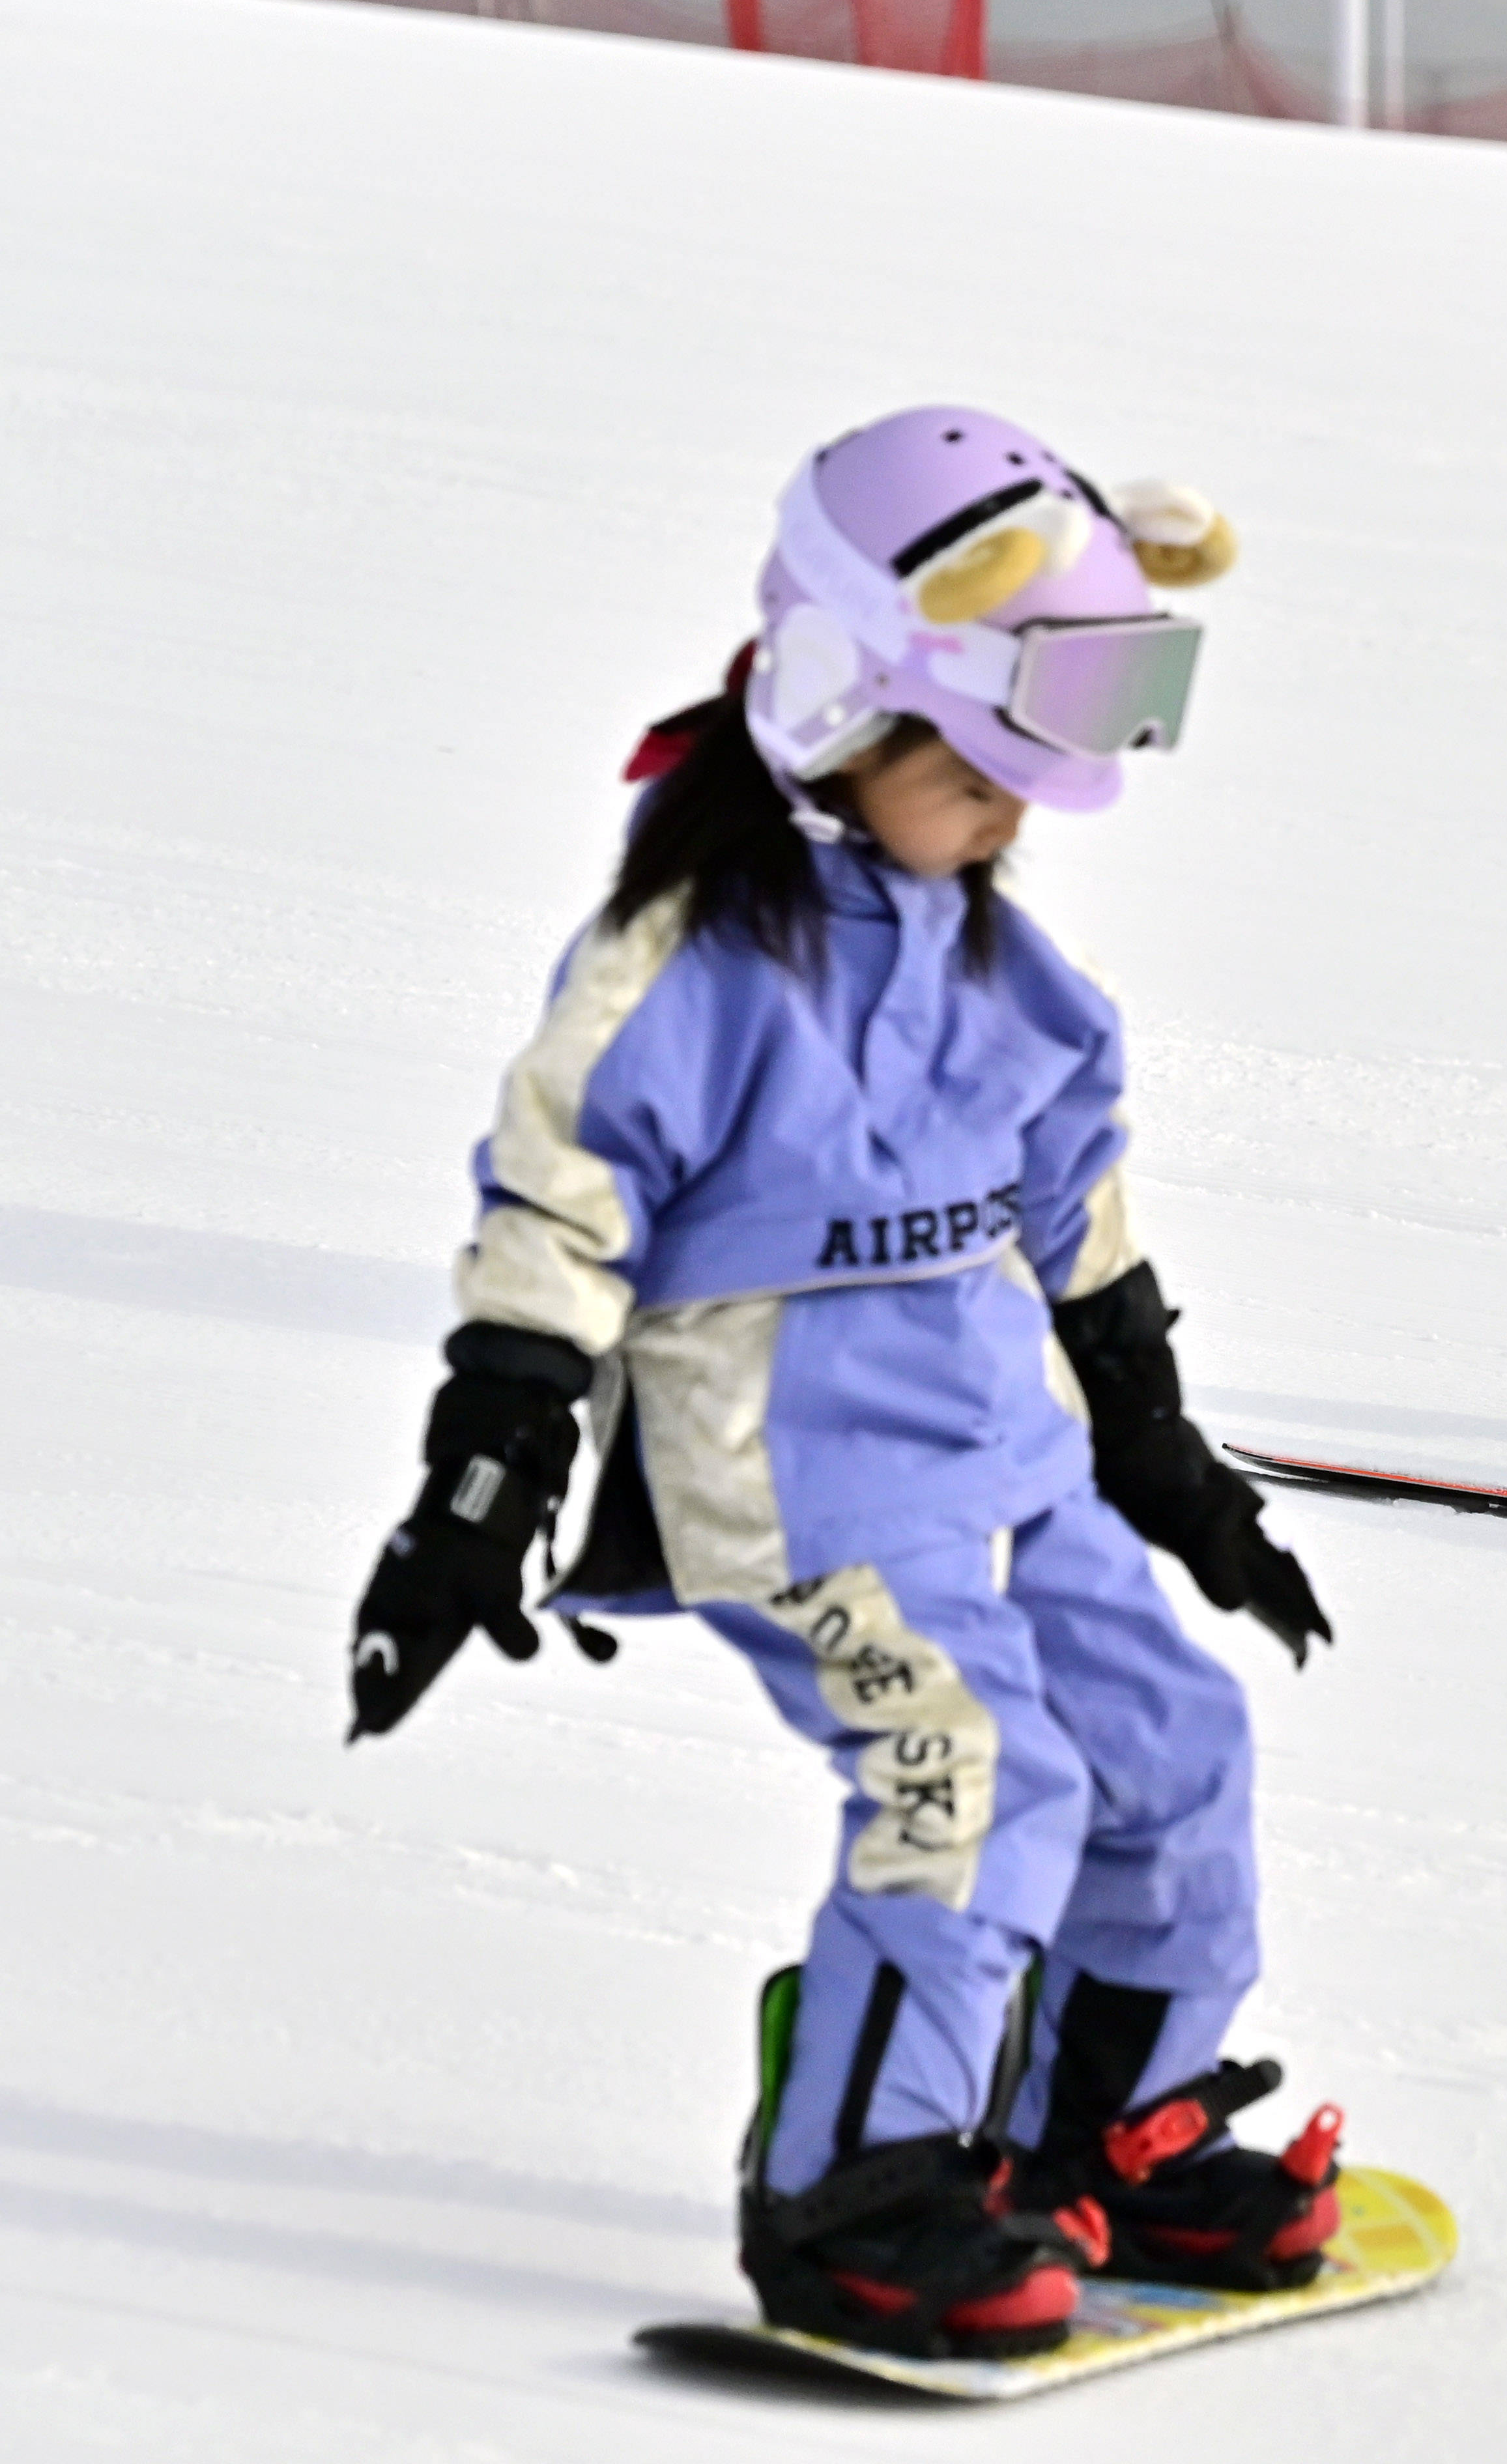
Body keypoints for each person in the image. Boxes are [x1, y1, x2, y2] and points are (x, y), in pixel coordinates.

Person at [344, 407, 1344, 2358]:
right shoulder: (691, 959)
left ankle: (1096, 2138)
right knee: (971, 1772)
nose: (1013, 820)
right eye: (973, 774)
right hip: (794, 1469)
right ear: (829, 714)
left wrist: (1169, 1469)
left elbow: (1081, 1224)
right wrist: (481, 1483)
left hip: (1002, 1446)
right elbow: (558, 1202)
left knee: (1171, 1747)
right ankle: (856, 2190)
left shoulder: (1010, 975)